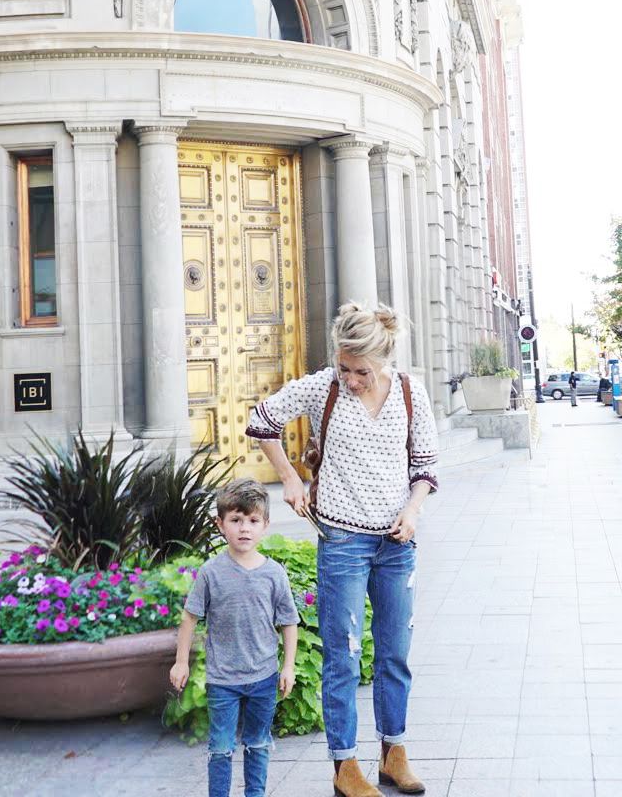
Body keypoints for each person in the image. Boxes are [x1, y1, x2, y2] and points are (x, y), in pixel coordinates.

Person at [248, 301, 438, 797]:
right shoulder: (322, 387)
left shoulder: (411, 392)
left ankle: (394, 753)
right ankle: (345, 766)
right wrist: (290, 477)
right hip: (342, 542)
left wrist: (412, 510)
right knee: (343, 657)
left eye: (361, 372)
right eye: (344, 368)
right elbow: (261, 420)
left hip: (397, 545)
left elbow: (425, 467)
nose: (350, 380)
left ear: (383, 360)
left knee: (394, 654)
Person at [170, 479, 300, 797]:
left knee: (258, 743)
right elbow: (189, 617)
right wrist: (181, 662)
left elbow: (288, 623)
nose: (244, 528)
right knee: (220, 747)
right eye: (236, 520)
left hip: (263, 677)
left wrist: (288, 667)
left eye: (253, 520)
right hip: (223, 680)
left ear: (265, 525)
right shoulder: (211, 572)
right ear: (220, 524)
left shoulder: (274, 574)